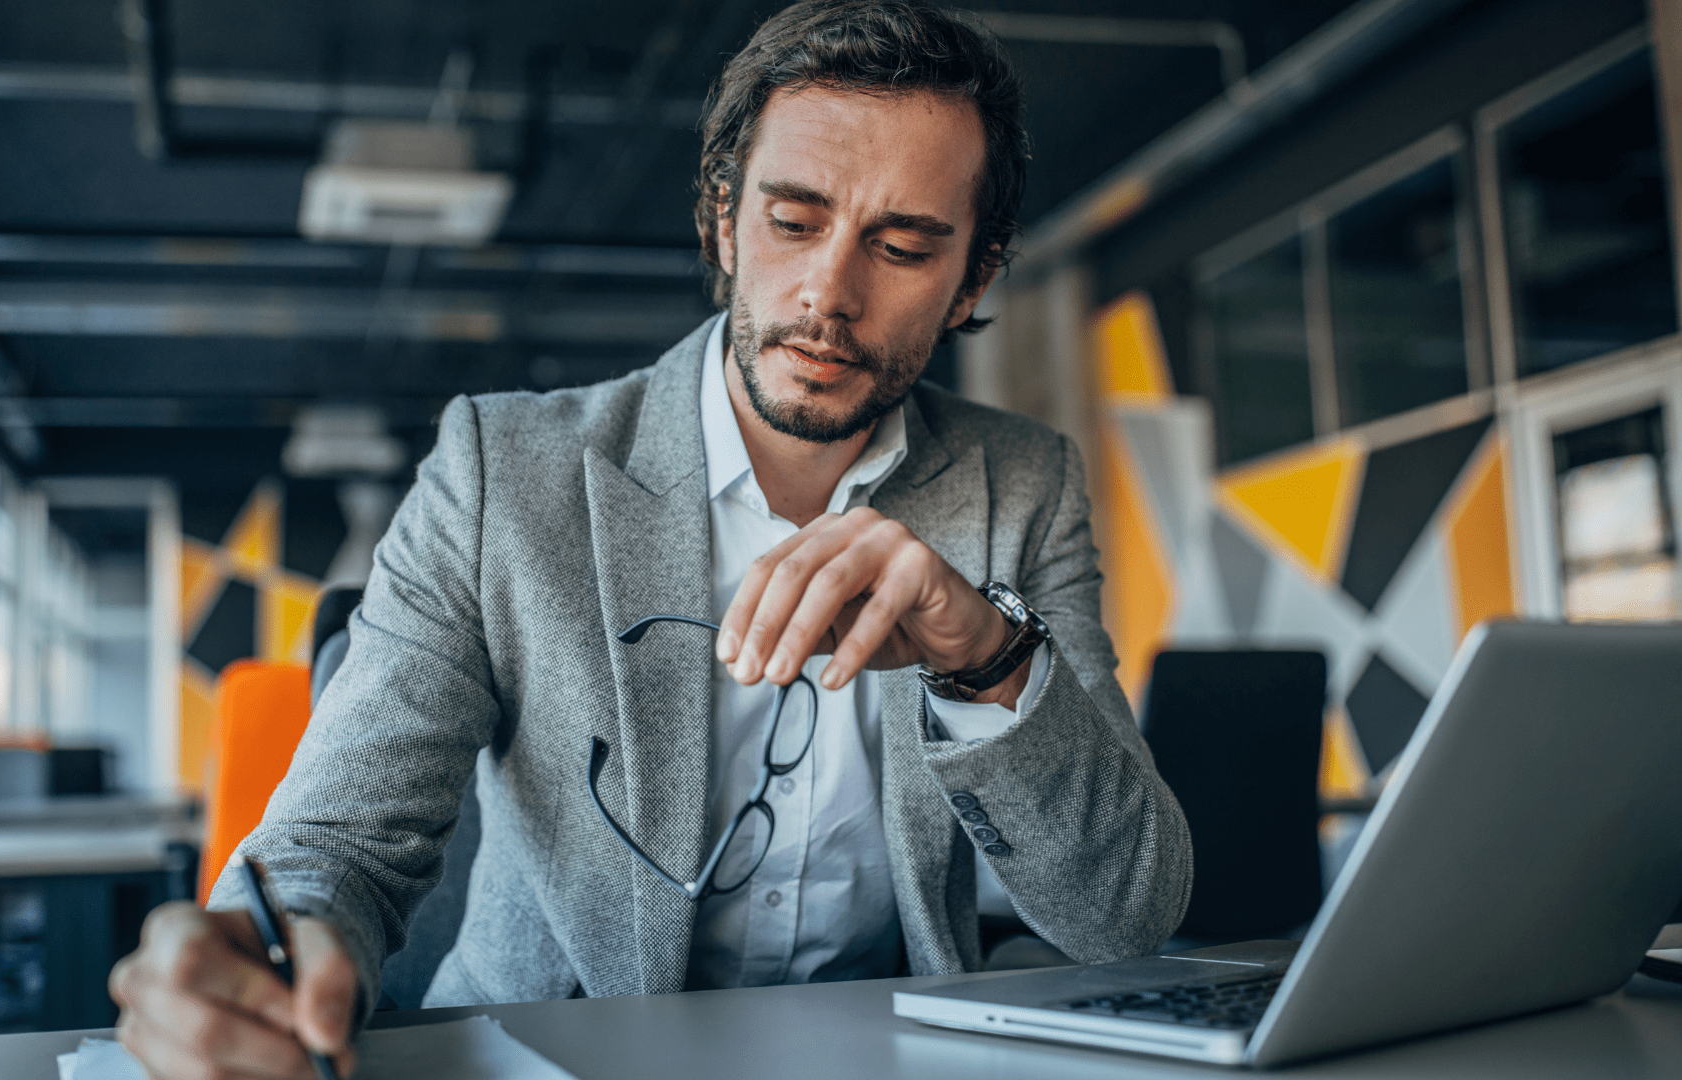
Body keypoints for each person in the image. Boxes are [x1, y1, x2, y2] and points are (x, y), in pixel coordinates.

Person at [109, 2, 1192, 1076]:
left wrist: (984, 655)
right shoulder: (502, 470)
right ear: (723, 221)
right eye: (792, 221)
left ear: (975, 282)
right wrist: (264, 948)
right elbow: (339, 843)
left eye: (903, 247)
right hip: (552, 1055)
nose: (830, 292)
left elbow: (1126, 915)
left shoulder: (1025, 482)